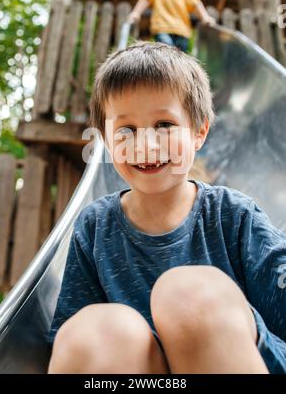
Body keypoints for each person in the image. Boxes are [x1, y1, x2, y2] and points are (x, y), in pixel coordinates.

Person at [48, 42, 286, 374]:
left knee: (186, 295)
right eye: (126, 130)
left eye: (164, 125)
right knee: (96, 328)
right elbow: (73, 343)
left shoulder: (233, 215)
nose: (145, 144)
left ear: (199, 132)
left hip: (243, 358)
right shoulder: (95, 226)